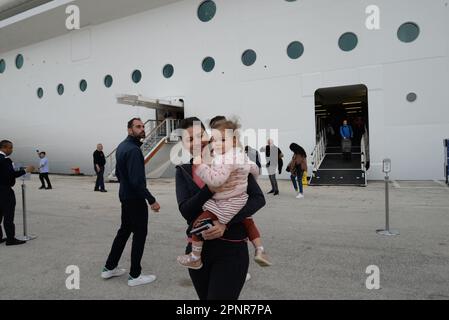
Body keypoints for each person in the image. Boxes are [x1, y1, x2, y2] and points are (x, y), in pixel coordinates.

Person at [175, 117, 266, 300]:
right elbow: (186, 211)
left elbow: (258, 199)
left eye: (200, 135)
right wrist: (209, 190)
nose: (197, 142)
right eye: (190, 139)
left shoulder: (231, 160)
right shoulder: (183, 170)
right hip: (197, 251)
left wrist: (225, 222)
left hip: (231, 248)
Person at [102, 118, 161, 287]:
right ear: (129, 130)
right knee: (140, 234)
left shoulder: (122, 146)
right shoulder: (134, 150)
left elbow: (120, 175)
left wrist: (127, 187)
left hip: (125, 196)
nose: (142, 129)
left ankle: (109, 267)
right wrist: (152, 200)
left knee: (124, 231)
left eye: (143, 126)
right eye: (138, 127)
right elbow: (137, 181)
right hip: (135, 199)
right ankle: (135, 275)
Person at [0, 140, 34, 245]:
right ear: (5, 147)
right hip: (5, 191)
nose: (11, 150)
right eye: (10, 148)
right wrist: (25, 170)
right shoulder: (5, 160)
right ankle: (11, 239)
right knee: (8, 215)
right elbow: (10, 175)